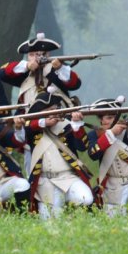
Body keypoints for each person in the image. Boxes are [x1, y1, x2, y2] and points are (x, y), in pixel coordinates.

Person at [25, 89, 93, 219]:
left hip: (68, 178)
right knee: (50, 225)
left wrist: (77, 125)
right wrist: (44, 122)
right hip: (45, 182)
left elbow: (82, 147)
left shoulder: (67, 125)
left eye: (54, 109)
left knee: (86, 198)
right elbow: (25, 128)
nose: (53, 113)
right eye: (48, 111)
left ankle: (72, 214)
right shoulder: (33, 128)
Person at [0, 32, 81, 108]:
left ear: (47, 54)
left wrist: (60, 68)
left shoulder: (58, 68)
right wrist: (27, 66)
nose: (35, 58)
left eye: (40, 54)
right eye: (31, 55)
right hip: (30, 116)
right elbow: (2, 74)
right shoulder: (23, 71)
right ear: (28, 57)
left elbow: (75, 84)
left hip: (57, 114)